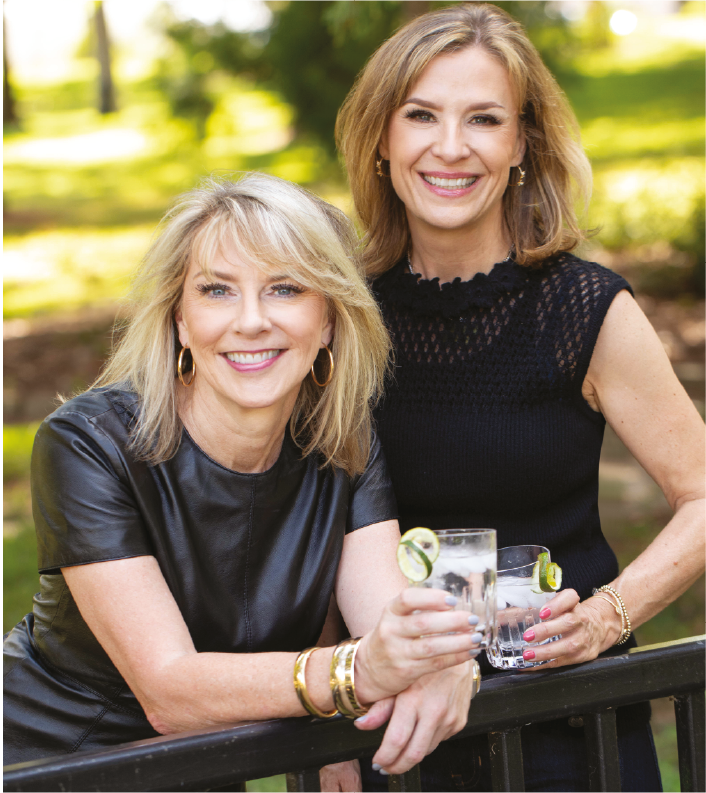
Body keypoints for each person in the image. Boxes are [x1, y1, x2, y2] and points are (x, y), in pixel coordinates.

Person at [2, 174, 483, 789]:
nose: (251, 321)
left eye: (285, 288)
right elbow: (169, 691)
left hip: (199, 770)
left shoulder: (343, 441)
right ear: (180, 319)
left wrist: (440, 663)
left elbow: (385, 622)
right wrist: (352, 678)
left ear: (330, 320)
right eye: (217, 290)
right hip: (50, 763)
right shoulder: (88, 443)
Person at [336, 4, 706, 791]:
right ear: (381, 139)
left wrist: (607, 614)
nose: (450, 146)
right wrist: (332, 718)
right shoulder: (343, 318)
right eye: (421, 115)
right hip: (400, 736)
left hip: (569, 734)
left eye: (484, 118)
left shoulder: (584, 310)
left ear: (522, 144)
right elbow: (313, 523)